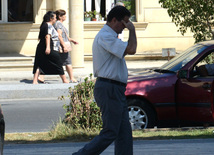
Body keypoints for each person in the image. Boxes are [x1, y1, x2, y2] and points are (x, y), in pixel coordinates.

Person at [72, 5, 137, 155]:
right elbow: (132, 49)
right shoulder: (105, 36)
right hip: (109, 88)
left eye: (128, 24)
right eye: (124, 23)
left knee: (124, 133)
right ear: (114, 20)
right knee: (111, 132)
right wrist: (132, 30)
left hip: (115, 88)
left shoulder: (112, 36)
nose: (125, 27)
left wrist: (129, 29)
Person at [39, 9, 78, 83]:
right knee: (67, 62)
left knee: (52, 62)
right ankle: (71, 78)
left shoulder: (56, 24)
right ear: (60, 16)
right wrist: (64, 46)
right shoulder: (59, 24)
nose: (65, 17)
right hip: (61, 46)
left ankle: (41, 76)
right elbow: (59, 35)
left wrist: (72, 40)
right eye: (64, 15)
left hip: (59, 46)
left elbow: (63, 36)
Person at [32, 11, 69, 84]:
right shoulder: (48, 25)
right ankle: (65, 80)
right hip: (48, 47)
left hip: (41, 46)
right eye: (54, 18)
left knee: (39, 63)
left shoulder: (44, 25)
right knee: (58, 62)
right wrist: (48, 47)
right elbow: (47, 36)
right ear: (50, 18)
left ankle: (35, 80)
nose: (55, 19)